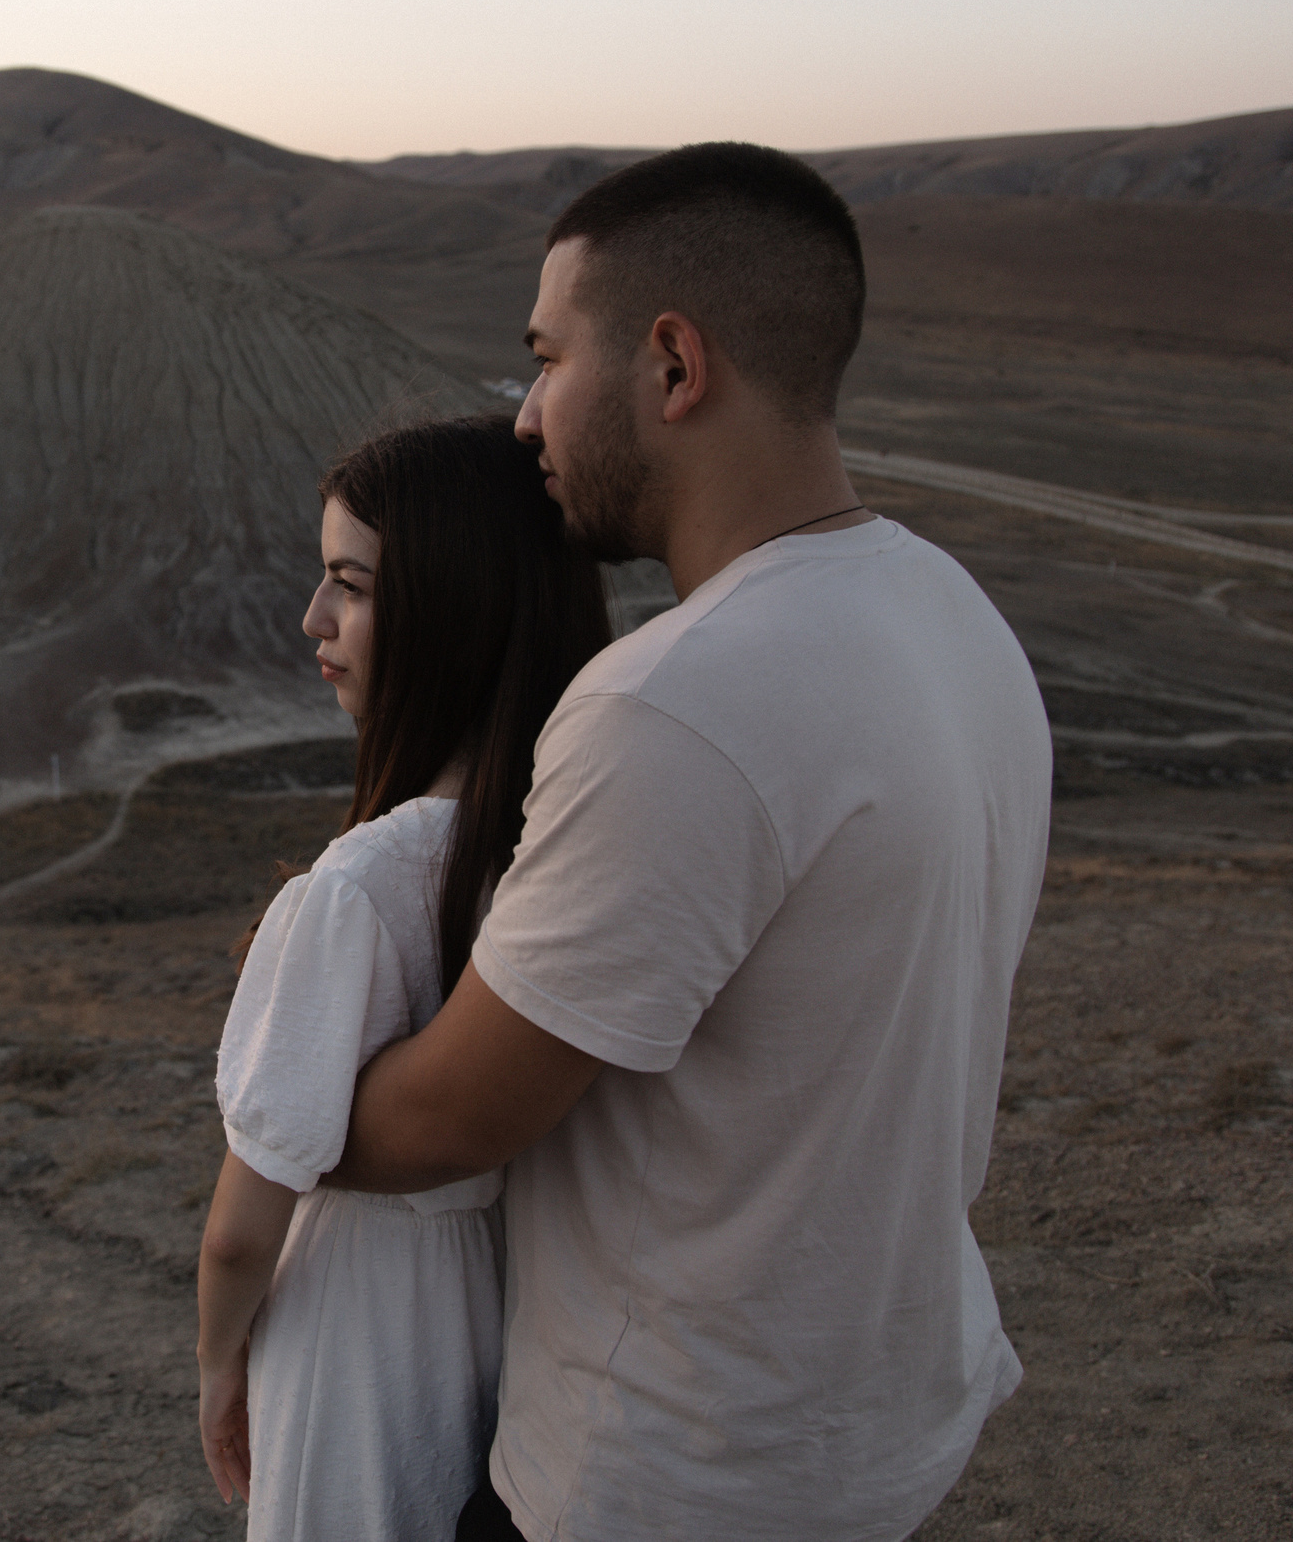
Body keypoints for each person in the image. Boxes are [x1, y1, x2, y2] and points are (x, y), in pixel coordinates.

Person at [328, 145, 1054, 1541]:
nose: (526, 418)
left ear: (673, 363)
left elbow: (452, 1117)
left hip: (666, 1474)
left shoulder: (675, 701)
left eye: (548, 360)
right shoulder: (950, 611)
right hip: (870, 1437)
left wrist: (270, 1088)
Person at [195, 415, 613, 1541]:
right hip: (498, 1306)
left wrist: (218, 1362)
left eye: (351, 585)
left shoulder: (357, 889)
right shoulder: (554, 854)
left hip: (354, 1328)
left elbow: (242, 1224)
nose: (313, 618)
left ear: (450, 612)